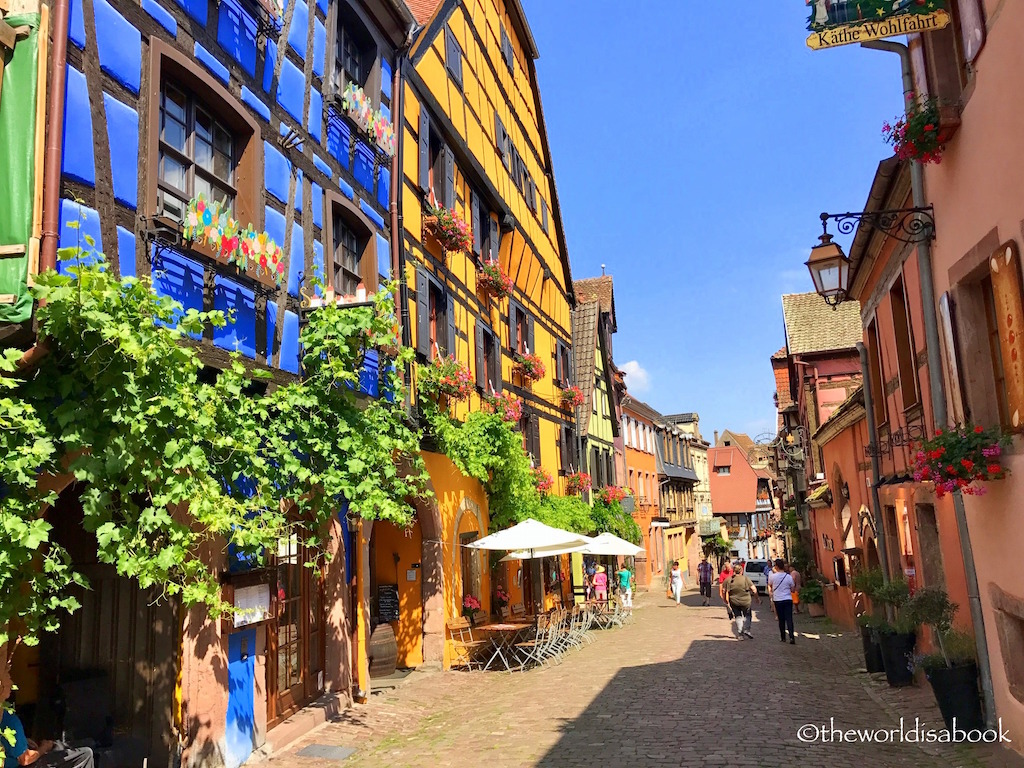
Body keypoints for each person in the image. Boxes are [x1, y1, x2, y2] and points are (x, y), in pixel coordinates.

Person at [0, 709, 94, 768]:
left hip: (15, 758)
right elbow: (25, 759)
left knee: (57, 745)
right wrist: (43, 748)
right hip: (20, 765)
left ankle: (95, 742)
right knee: (85, 754)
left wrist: (23, 740)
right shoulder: (8, 719)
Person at [723, 566, 761, 639]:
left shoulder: (728, 580)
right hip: (746, 601)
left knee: (738, 617)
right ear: (741, 571)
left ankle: (740, 634)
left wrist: (725, 600)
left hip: (734, 601)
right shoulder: (746, 579)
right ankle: (747, 629)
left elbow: (724, 591)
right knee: (747, 615)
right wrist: (757, 598)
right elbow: (754, 589)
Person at [768, 559, 797, 644]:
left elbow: (770, 585)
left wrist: (771, 593)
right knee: (789, 619)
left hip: (778, 600)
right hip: (788, 599)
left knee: (781, 620)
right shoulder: (788, 577)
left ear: (776, 566)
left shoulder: (773, 576)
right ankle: (792, 637)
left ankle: (783, 637)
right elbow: (792, 589)